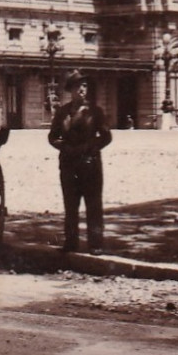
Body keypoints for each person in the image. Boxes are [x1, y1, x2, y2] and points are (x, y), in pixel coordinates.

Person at [47, 70, 112, 253]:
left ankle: (96, 243)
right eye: (78, 86)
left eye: (84, 86)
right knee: (70, 204)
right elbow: (52, 137)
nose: (82, 90)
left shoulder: (95, 112)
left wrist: (91, 147)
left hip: (90, 164)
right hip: (68, 165)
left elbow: (106, 137)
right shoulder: (62, 112)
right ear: (71, 90)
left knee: (93, 205)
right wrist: (63, 147)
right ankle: (71, 242)